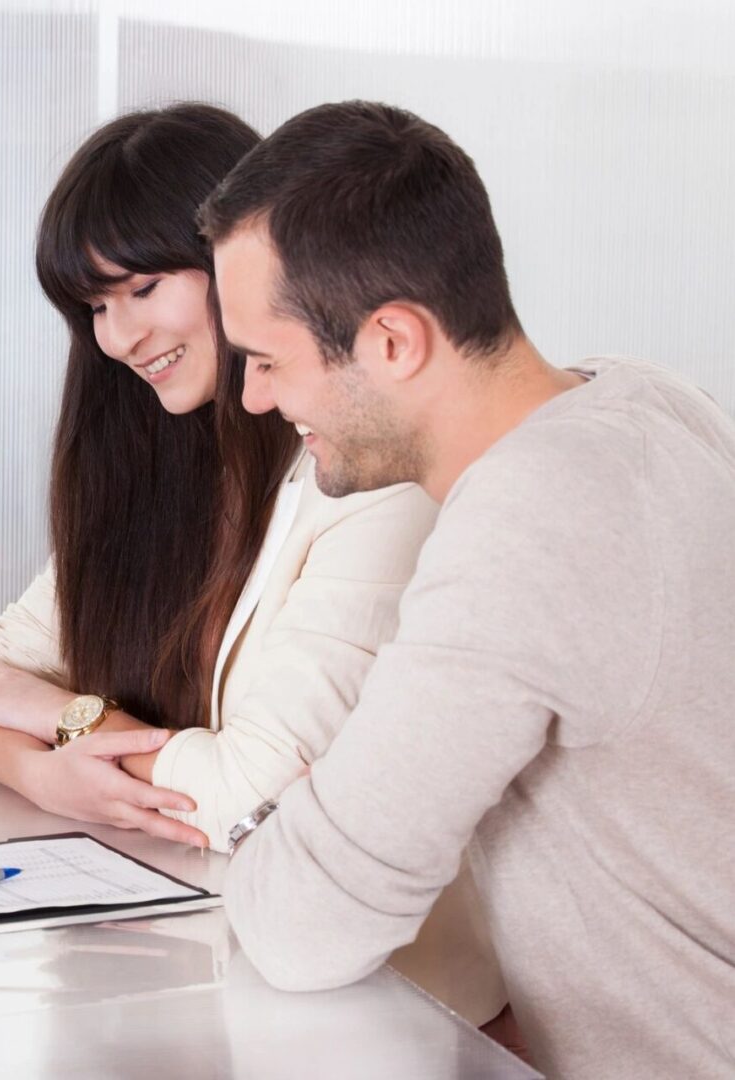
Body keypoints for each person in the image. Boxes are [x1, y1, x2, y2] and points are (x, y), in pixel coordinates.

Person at [0, 104, 506, 1025]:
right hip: (191, 956)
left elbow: (254, 795)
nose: (116, 338)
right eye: (93, 307)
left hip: (382, 1006)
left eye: (144, 286)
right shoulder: (150, 467)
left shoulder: (368, 474)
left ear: (247, 264)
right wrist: (48, 774)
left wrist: (65, 721)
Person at [202, 100, 735, 1079]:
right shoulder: (641, 401)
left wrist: (275, 820)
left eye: (269, 361)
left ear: (394, 342)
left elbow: (303, 927)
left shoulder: (536, 517)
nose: (252, 400)